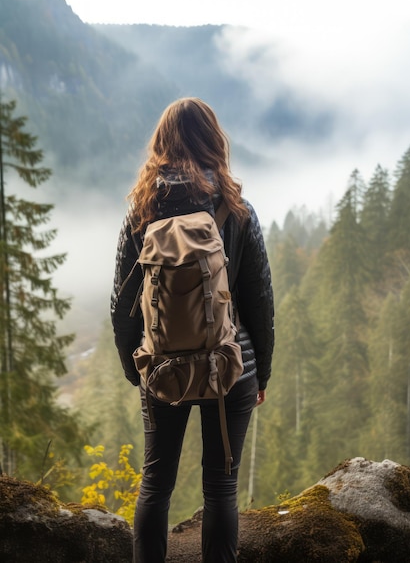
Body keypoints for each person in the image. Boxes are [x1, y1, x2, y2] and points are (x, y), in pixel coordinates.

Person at [111, 97, 274, 563]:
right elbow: (259, 300)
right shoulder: (237, 209)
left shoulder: (142, 211)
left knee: (156, 484)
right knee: (221, 488)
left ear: (161, 144)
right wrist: (260, 373)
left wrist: (135, 369)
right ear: (213, 141)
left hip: (163, 369)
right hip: (229, 363)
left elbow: (122, 306)